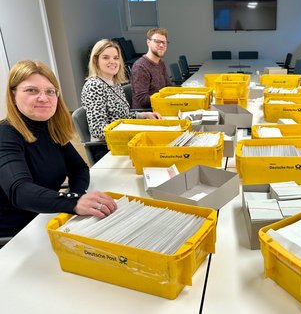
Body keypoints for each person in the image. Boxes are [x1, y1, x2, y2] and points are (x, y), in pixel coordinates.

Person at [0, 60, 117, 238]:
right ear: (13, 95)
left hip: (48, 217)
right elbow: (20, 191)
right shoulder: (6, 134)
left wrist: (76, 195)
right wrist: (74, 202)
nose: (43, 98)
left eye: (50, 91)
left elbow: (79, 168)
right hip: (19, 234)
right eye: (31, 90)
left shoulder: (49, 128)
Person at [81, 39, 161, 161]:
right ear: (96, 60)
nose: (112, 61)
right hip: (107, 148)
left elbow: (121, 116)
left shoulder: (114, 83)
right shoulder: (94, 86)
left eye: (116, 58)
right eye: (106, 57)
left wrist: (144, 115)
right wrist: (130, 130)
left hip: (122, 141)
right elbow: (98, 130)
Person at [131, 27, 174, 108]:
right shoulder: (140, 67)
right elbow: (142, 100)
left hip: (161, 106)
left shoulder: (161, 63)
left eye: (164, 42)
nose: (161, 45)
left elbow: (168, 86)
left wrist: (181, 92)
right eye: (157, 41)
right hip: (147, 113)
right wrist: (165, 98)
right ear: (148, 42)